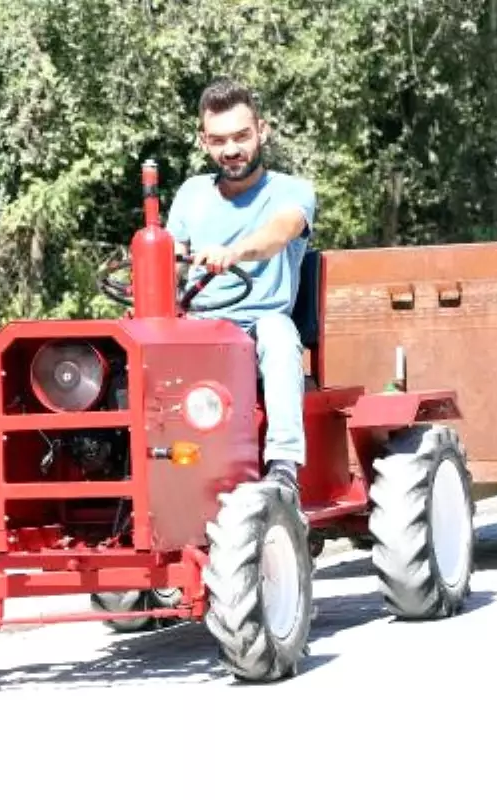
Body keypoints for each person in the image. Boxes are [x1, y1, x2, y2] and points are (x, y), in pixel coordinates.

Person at [166, 78, 317, 498]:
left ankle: (284, 463)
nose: (230, 150)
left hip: (258, 324)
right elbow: (171, 257)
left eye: (240, 137)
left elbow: (278, 233)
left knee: (279, 335)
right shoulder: (192, 193)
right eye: (218, 140)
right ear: (203, 141)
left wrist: (233, 252)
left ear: (262, 131)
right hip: (199, 324)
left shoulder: (292, 191)